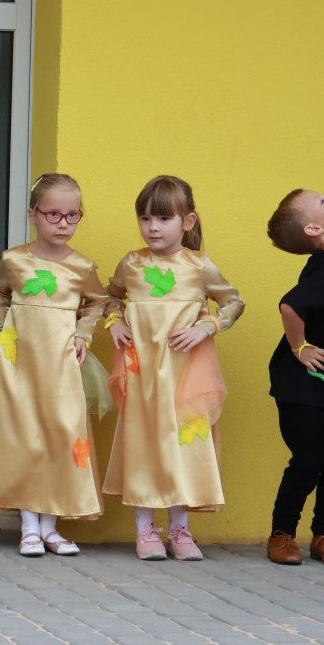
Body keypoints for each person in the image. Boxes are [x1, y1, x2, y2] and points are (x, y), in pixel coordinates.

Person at [0, 173, 110, 556]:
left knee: (63, 436)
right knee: (26, 435)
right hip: (21, 364)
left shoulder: (82, 266)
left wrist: (83, 332)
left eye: (73, 215)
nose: (63, 223)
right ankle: (29, 525)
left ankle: (51, 526)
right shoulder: (14, 259)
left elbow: (98, 302)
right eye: (53, 215)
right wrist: (4, 330)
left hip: (63, 366)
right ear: (33, 214)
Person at [104, 175, 244, 561]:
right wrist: (113, 322)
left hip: (187, 374)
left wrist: (207, 326)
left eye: (164, 218)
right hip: (143, 372)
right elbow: (109, 298)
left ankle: (180, 529)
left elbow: (233, 302)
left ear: (188, 221)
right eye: (145, 218)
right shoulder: (132, 263)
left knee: (186, 442)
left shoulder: (200, 265)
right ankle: (145, 530)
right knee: (144, 441)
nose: (153, 227)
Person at [263, 189, 324, 566]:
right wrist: (299, 348)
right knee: (308, 460)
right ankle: (282, 534)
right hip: (303, 383)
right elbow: (290, 305)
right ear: (313, 228)